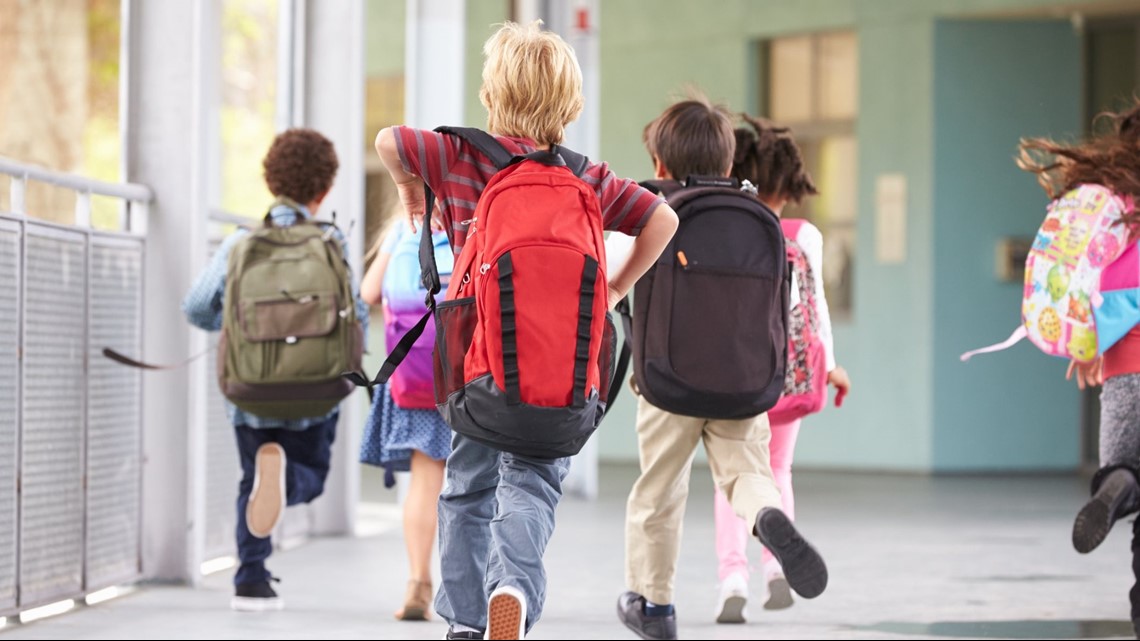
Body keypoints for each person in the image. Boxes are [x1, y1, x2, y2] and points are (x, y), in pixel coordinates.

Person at [373, 21, 678, 641]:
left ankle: (463, 621)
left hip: (478, 368)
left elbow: (388, 141)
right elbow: (662, 219)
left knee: (466, 489)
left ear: (490, 96)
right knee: (533, 484)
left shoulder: (456, 155)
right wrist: (614, 289)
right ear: (570, 105)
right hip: (561, 373)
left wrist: (410, 190)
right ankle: (512, 584)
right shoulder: (588, 179)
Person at [617, 97, 828, 641]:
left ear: (661, 164)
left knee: (659, 492)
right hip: (743, 380)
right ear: (730, 165)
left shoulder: (652, 209)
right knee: (748, 475)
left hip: (667, 381)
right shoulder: (756, 216)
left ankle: (655, 606)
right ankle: (765, 516)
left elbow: (615, 276)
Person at [182, 128, 368, 612]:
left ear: (270, 182)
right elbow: (358, 316)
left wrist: (239, 327)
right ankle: (287, 484)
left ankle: (251, 580)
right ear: (323, 188)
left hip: (251, 388)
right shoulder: (331, 241)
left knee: (251, 479)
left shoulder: (240, 243)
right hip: (317, 387)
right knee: (310, 474)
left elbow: (197, 307)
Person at [711, 115, 851, 622]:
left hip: (735, 373)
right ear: (791, 183)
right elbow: (815, 308)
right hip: (789, 375)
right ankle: (776, 568)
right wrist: (831, 366)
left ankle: (732, 576)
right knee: (776, 471)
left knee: (731, 477)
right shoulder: (804, 234)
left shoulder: (730, 226)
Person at [1025, 100, 1140, 637]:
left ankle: (1116, 483)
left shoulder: (1114, 215)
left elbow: (1097, 289)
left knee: (1130, 471)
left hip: (1123, 369)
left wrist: (1087, 347)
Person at [358, 220, 453, 621]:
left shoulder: (400, 232)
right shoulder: (472, 223)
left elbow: (368, 292)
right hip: (468, 377)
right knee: (484, 482)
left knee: (424, 482)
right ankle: (482, 586)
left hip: (414, 376)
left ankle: (418, 582)